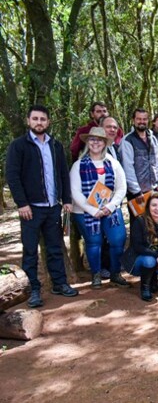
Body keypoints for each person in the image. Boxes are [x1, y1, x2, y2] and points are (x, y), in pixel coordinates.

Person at [6, 105, 78, 307]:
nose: (39, 122)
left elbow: (63, 174)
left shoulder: (55, 145)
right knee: (30, 251)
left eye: (43, 119)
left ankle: (59, 283)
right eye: (35, 119)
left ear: (48, 122)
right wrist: (22, 203)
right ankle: (33, 290)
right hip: (30, 209)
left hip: (52, 207)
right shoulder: (19, 145)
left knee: (55, 247)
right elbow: (12, 176)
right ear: (29, 121)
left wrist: (67, 200)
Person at [70, 127, 129, 288]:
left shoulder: (113, 163)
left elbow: (121, 188)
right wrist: (93, 210)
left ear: (104, 143)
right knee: (93, 242)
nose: (95, 143)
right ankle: (95, 274)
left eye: (99, 140)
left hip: (110, 210)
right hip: (85, 212)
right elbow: (75, 191)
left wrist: (110, 206)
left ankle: (115, 273)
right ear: (87, 142)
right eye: (92, 140)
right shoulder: (78, 165)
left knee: (118, 240)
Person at [125, 193, 158, 301]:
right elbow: (137, 246)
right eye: (154, 205)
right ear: (148, 207)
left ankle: (152, 280)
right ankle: (145, 287)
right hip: (138, 259)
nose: (157, 208)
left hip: (157, 256)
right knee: (149, 261)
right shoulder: (140, 221)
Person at [120, 108, 158, 213]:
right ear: (133, 120)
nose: (142, 121)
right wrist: (136, 191)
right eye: (139, 119)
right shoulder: (127, 141)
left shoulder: (152, 138)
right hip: (137, 193)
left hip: (154, 189)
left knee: (154, 223)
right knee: (139, 225)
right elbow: (128, 167)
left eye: (144, 119)